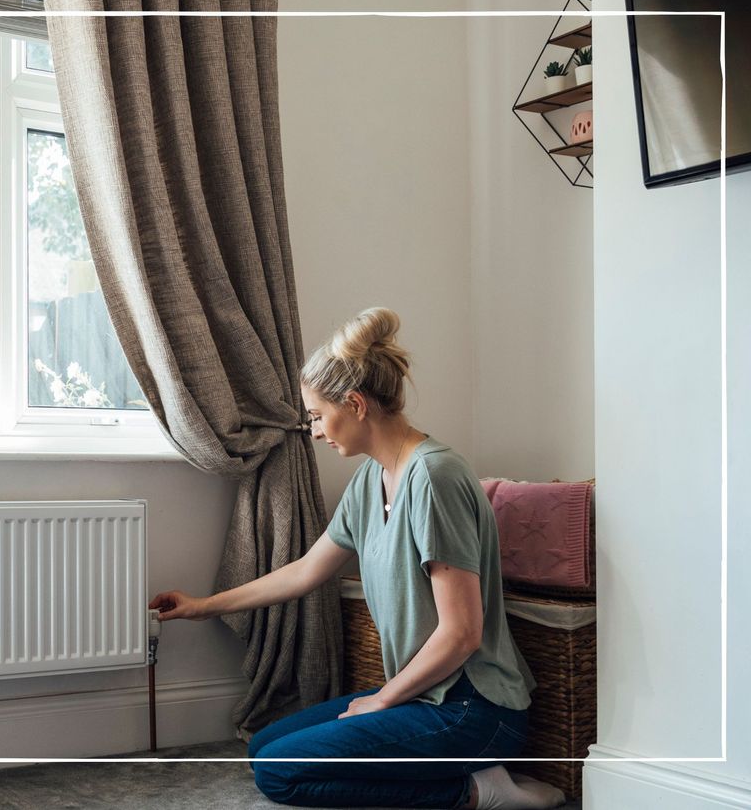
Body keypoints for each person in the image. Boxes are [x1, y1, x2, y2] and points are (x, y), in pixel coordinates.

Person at [148, 308, 568, 810]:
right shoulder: (370, 480)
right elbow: (307, 570)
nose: (316, 430)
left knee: (280, 777)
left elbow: (462, 633)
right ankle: (464, 772)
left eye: (318, 415)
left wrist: (383, 699)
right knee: (264, 749)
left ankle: (483, 791)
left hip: (470, 708)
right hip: (422, 695)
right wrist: (202, 606)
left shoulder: (435, 478)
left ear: (355, 404)